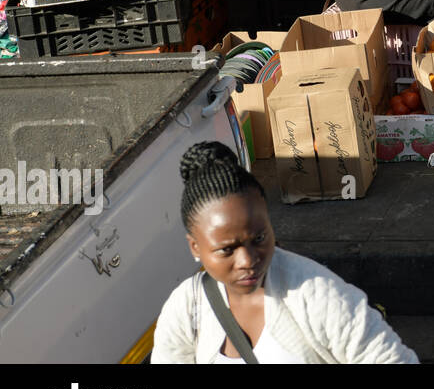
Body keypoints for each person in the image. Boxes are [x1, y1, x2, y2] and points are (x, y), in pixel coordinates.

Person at [152, 142, 418, 364]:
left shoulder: (317, 296)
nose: (247, 260)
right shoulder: (187, 308)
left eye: (259, 238)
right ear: (195, 247)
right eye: (227, 250)